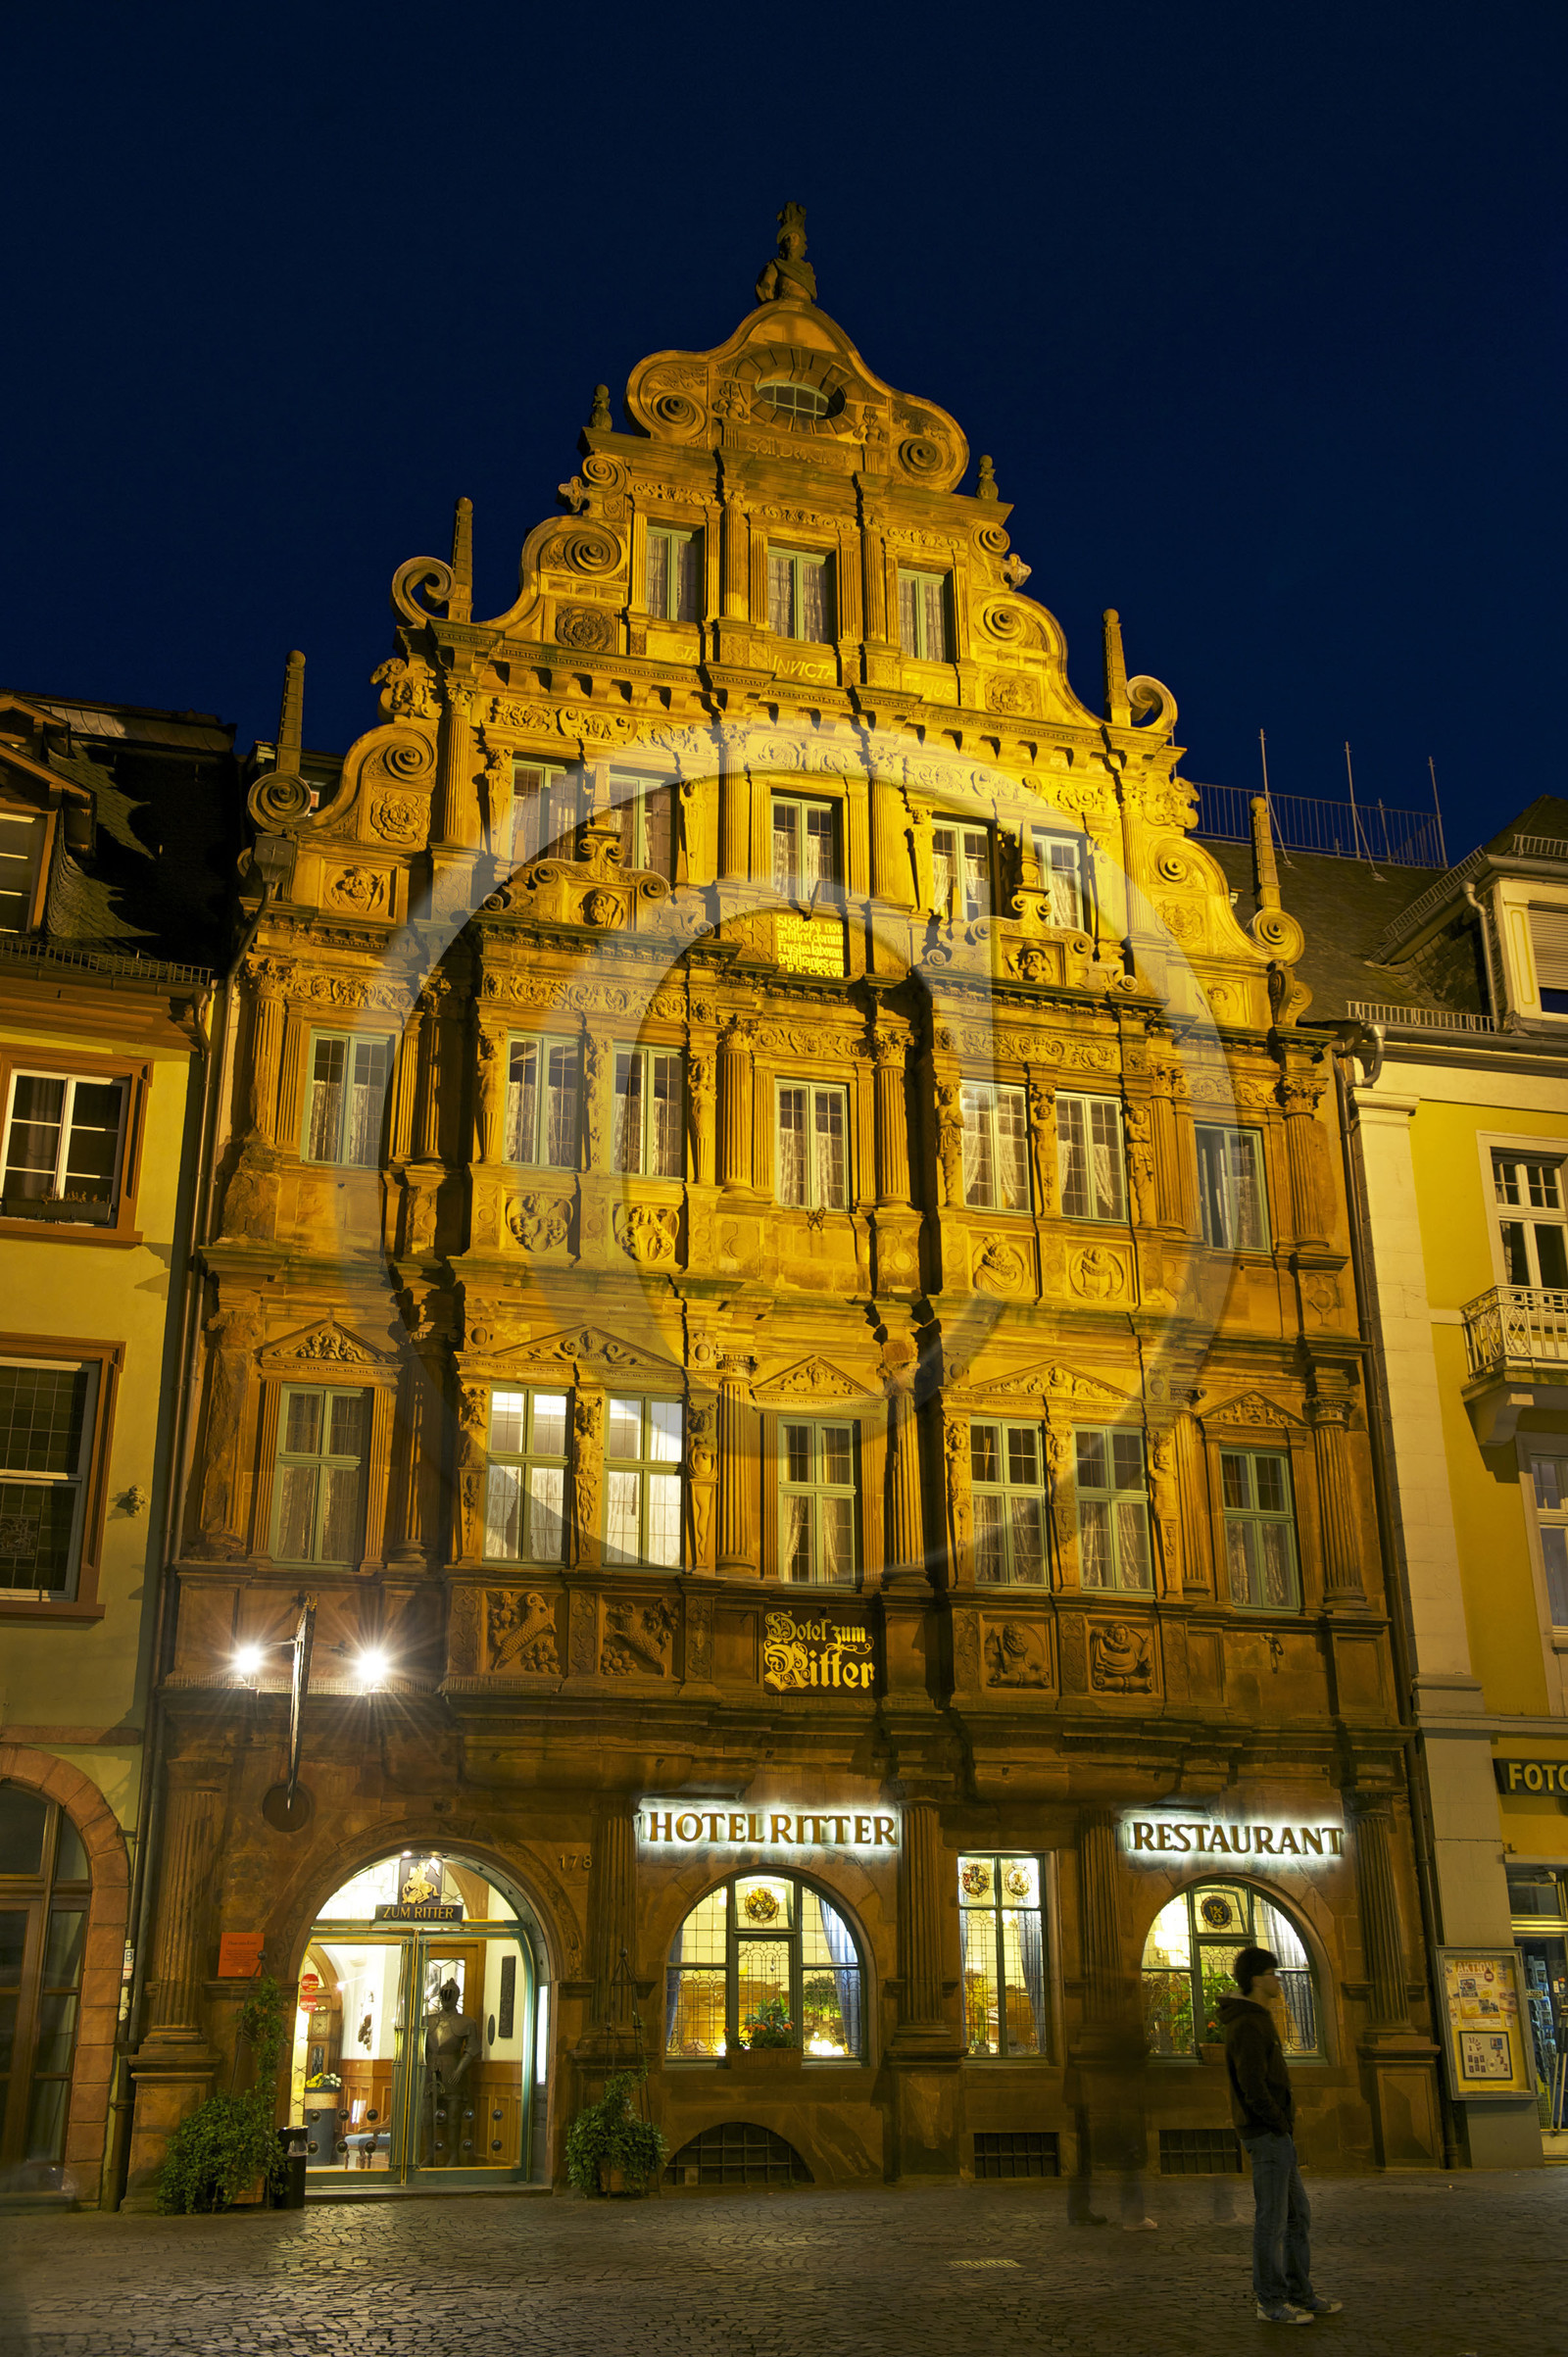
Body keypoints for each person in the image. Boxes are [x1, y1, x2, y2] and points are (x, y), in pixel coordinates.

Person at [1218, 1946, 1344, 2326]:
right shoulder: (1248, 2024)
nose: (1279, 1980)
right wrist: (1277, 2121)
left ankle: (1298, 2293)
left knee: (1296, 2215)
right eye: (1273, 1973)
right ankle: (1270, 2300)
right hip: (1266, 2134)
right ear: (1257, 1980)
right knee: (1272, 2220)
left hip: (1276, 2133)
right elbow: (1252, 2083)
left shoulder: (1257, 2019)